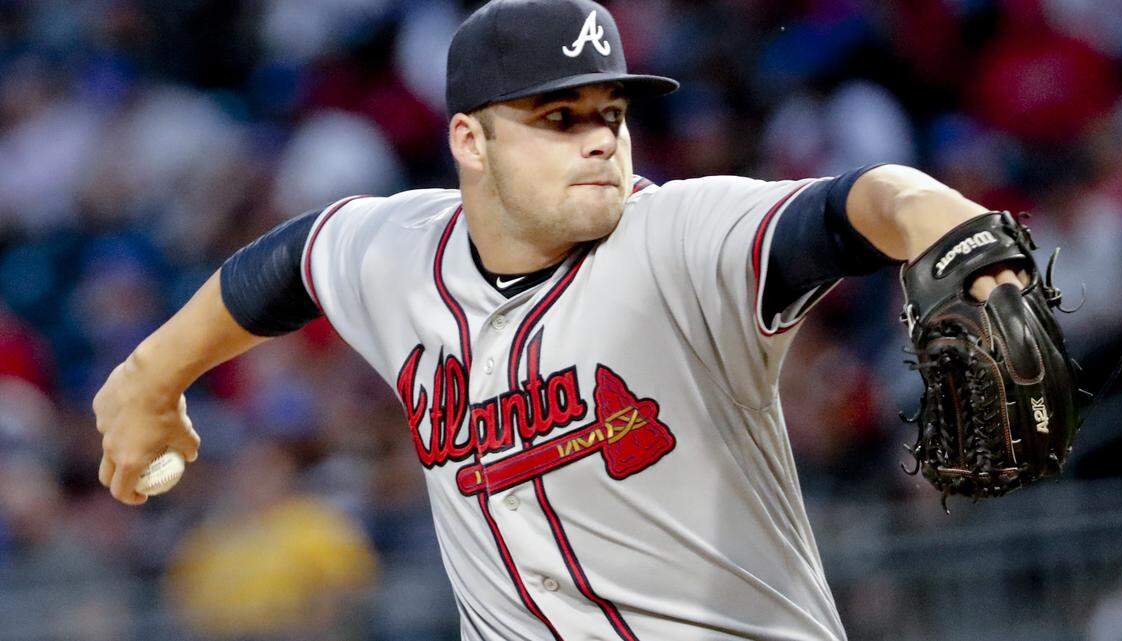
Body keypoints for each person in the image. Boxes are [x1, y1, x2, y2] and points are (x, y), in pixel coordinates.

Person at [93, 1, 1029, 639]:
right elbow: (284, 266)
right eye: (558, 115)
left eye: (611, 114)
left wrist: (965, 247)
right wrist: (149, 377)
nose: (599, 139)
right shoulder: (399, 251)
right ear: (471, 139)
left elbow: (861, 202)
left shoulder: (679, 238)